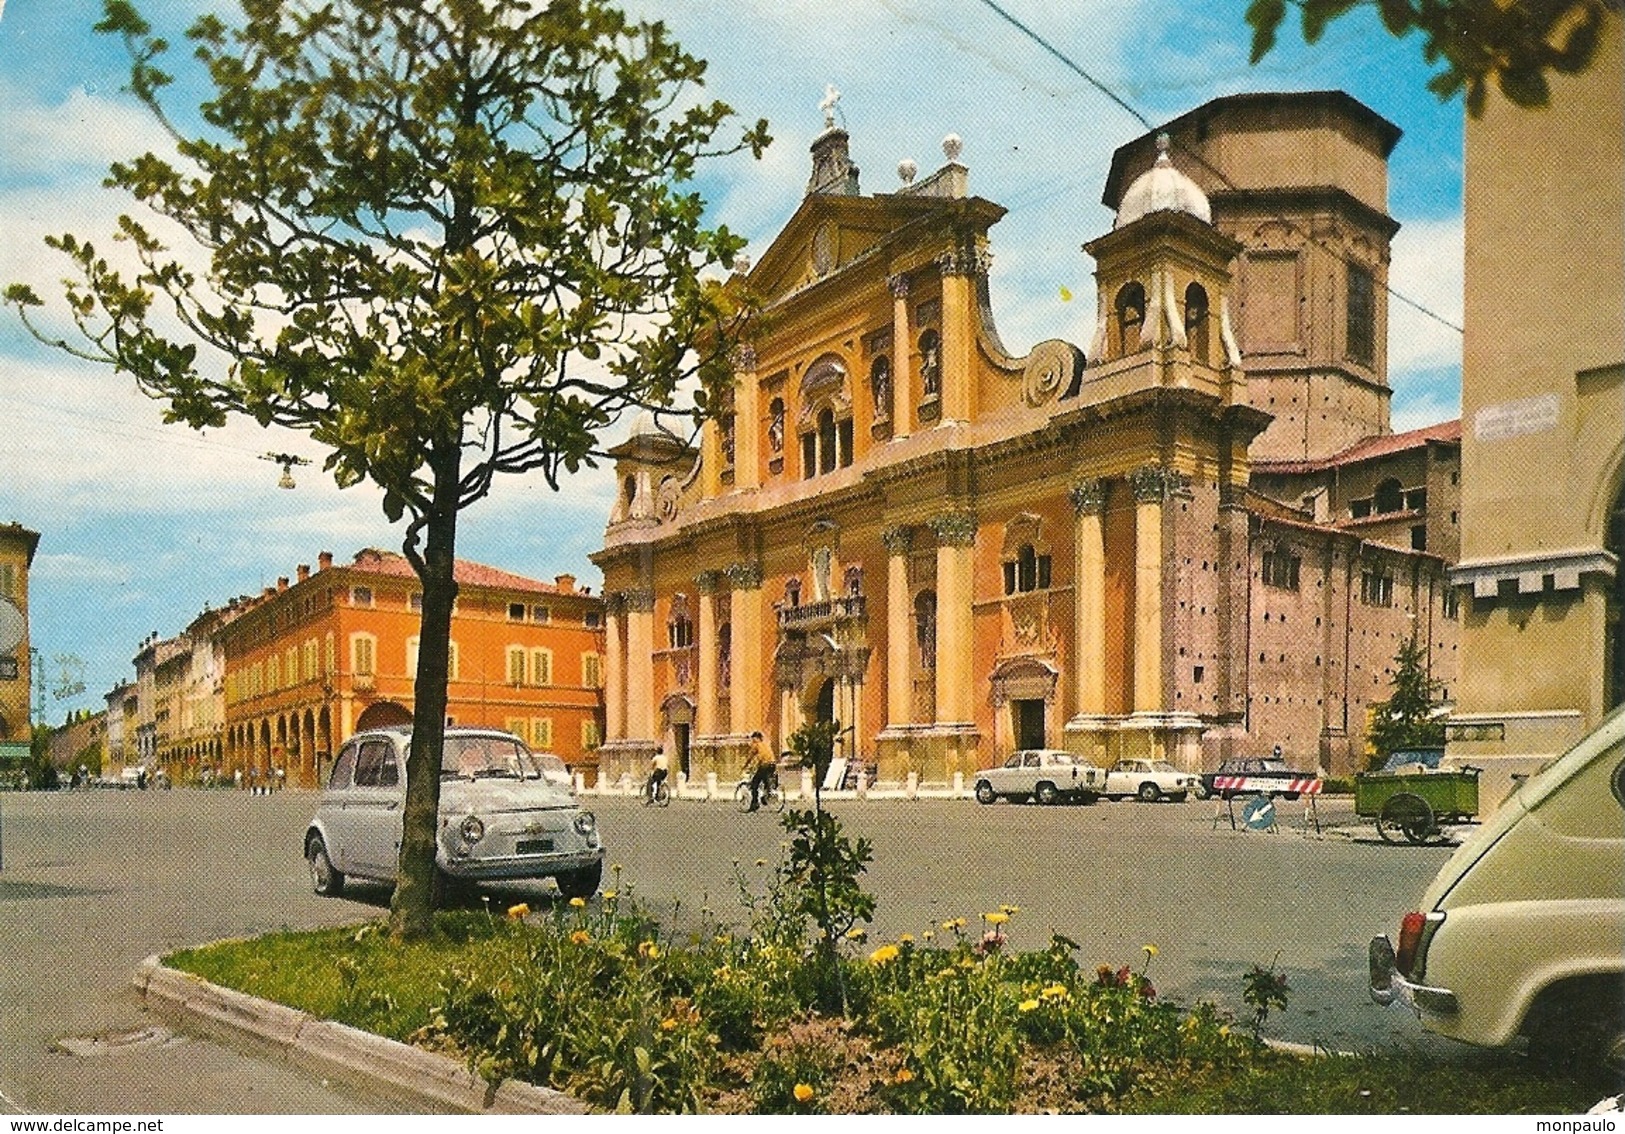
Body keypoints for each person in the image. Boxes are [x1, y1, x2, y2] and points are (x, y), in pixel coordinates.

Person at [746, 731, 775, 812]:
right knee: (765, 780)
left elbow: (751, 757)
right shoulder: (766, 744)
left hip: (764, 765)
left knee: (754, 784)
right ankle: (766, 794)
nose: (752, 740)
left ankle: (754, 803)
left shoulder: (756, 745)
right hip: (772, 765)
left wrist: (745, 766)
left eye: (753, 738)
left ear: (756, 738)